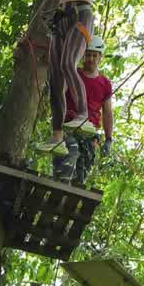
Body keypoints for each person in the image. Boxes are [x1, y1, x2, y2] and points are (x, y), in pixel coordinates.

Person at [37, 0, 108, 157]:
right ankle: (57, 137)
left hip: (81, 15)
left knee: (69, 63)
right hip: (62, 18)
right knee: (56, 79)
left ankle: (83, 115)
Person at [53, 35, 114, 185]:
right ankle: (60, 186)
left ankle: (69, 201)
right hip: (68, 126)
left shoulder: (104, 83)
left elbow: (107, 112)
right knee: (70, 154)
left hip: (89, 132)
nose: (91, 59)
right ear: (82, 55)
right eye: (88, 55)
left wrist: (108, 139)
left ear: (100, 57)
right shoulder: (73, 74)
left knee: (81, 173)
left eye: (94, 55)